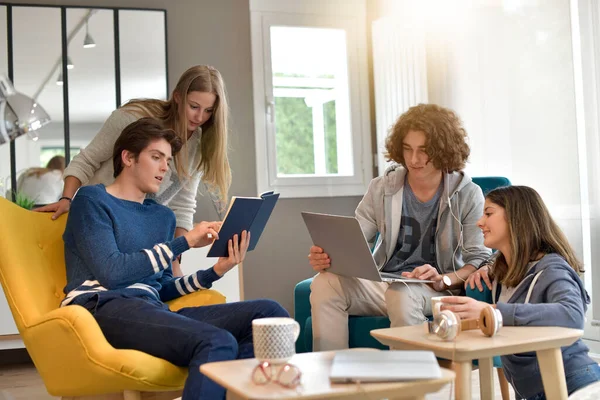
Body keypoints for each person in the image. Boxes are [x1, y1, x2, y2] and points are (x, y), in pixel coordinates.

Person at [61, 118, 288, 399]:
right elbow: (112, 273)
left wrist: (216, 271)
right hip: (103, 307)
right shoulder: (92, 200)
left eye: (167, 160)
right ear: (128, 157)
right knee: (216, 341)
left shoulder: (162, 216)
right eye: (156, 157)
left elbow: (163, 287)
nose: (165, 167)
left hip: (150, 309)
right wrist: (185, 242)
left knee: (269, 314)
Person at [308, 103, 491, 351]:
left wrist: (444, 280)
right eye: (408, 149)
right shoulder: (382, 188)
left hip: (434, 290)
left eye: (424, 151)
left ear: (443, 150)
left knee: (401, 295)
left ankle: (410, 387)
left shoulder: (468, 194)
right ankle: (332, 380)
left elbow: (479, 260)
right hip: (386, 281)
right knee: (324, 283)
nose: (414, 160)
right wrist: (329, 256)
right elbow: (355, 240)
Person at [37, 65, 231, 276]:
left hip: (139, 233)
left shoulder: (199, 145)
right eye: (194, 106)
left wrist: (175, 257)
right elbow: (87, 159)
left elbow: (182, 205)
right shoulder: (130, 119)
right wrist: (67, 198)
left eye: (209, 111)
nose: (200, 117)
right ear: (178, 97)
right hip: (102, 218)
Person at [442, 186, 599, 400]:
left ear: (517, 218)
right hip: (532, 392)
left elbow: (572, 315)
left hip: (573, 384)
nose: (480, 222)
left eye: (488, 213)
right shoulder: (502, 271)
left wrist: (495, 311)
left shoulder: (552, 269)